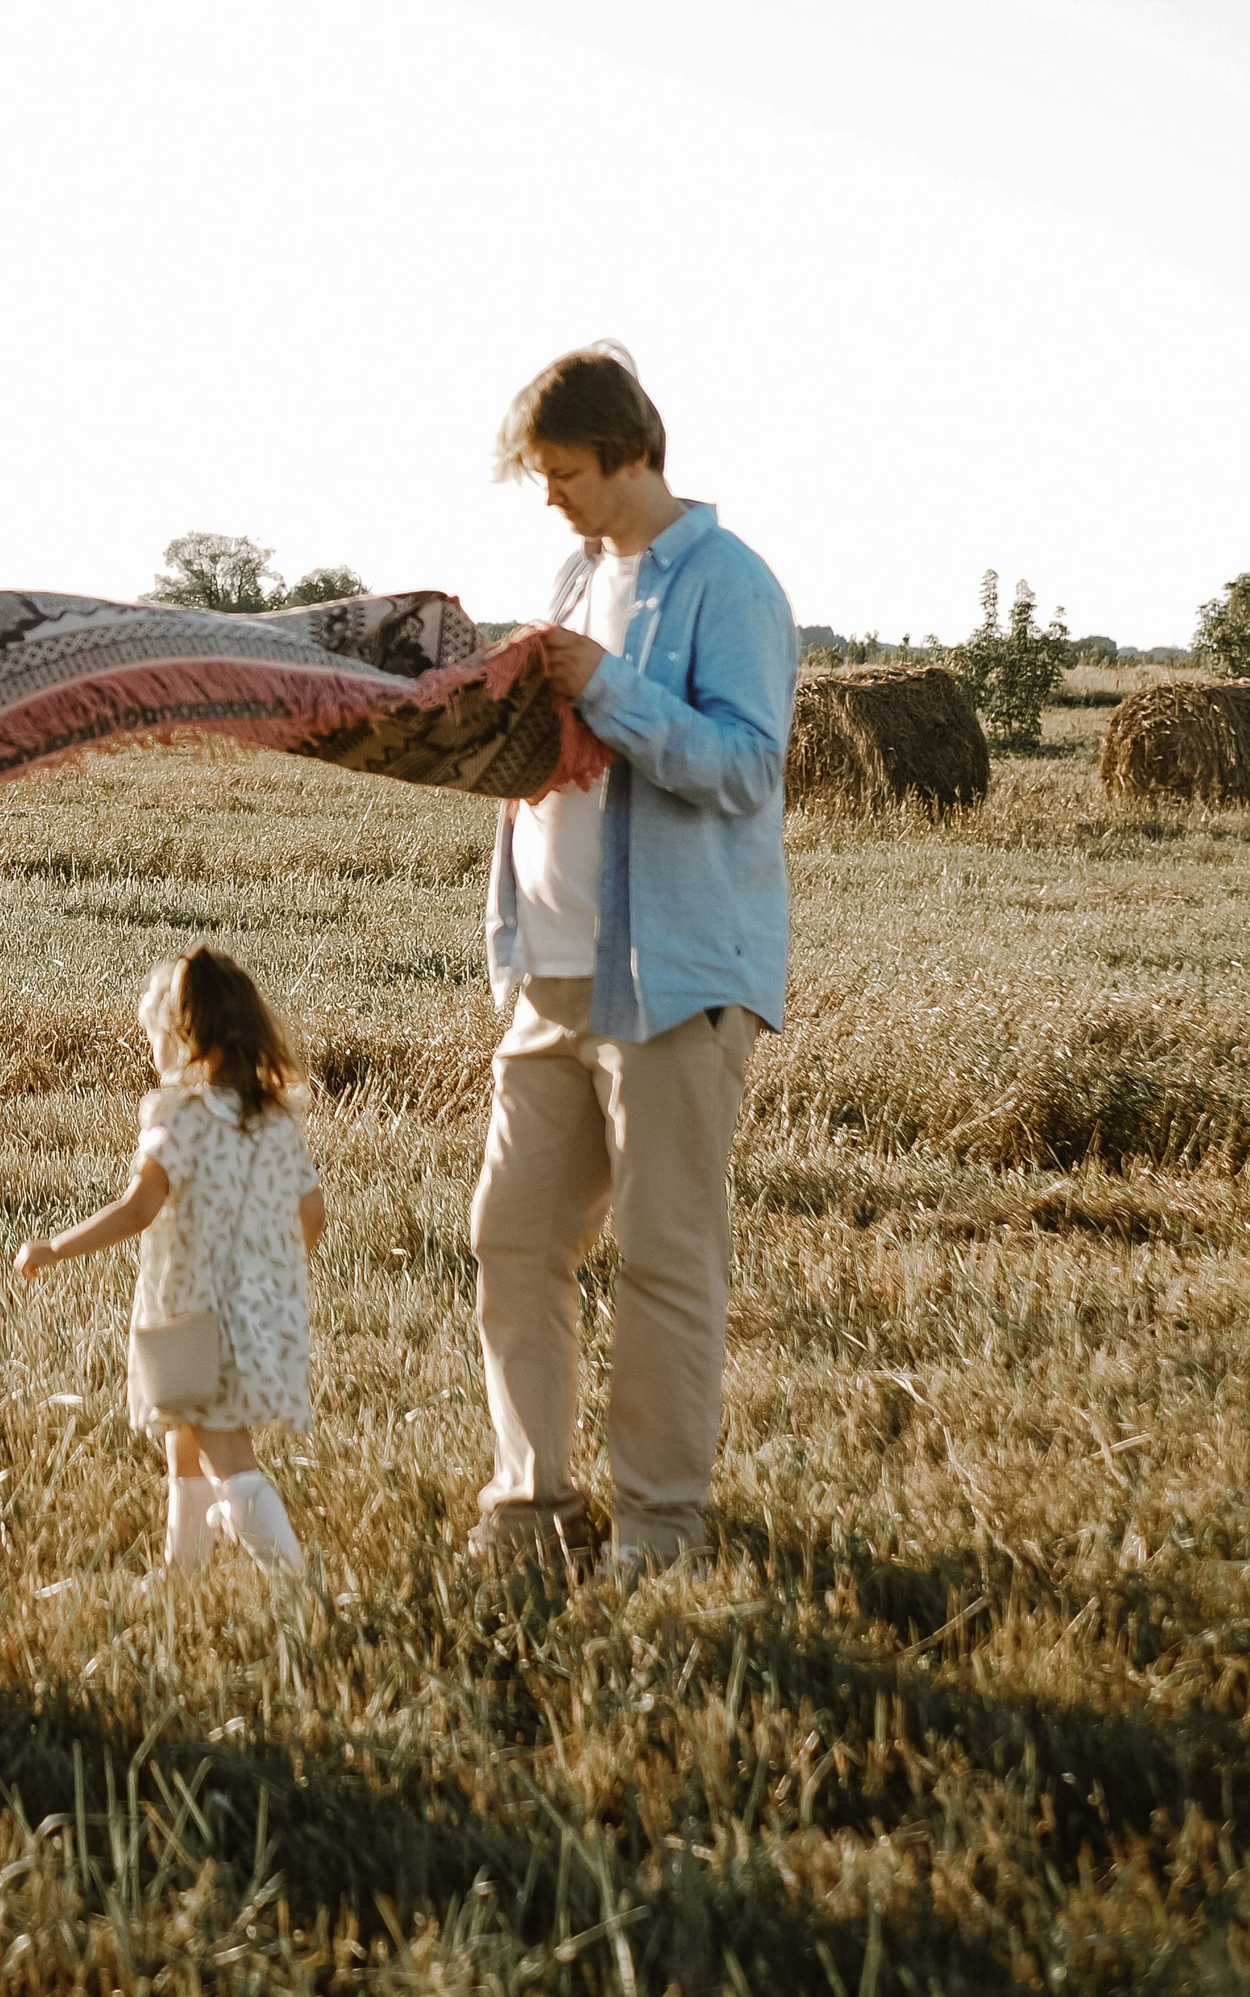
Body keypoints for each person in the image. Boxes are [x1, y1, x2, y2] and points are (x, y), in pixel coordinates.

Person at [469, 343, 794, 1576]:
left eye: (562, 471)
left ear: (628, 451)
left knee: (664, 1259)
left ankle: (660, 1532)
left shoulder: (731, 584)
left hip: (672, 976)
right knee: (509, 1237)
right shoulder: (572, 569)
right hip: (547, 973)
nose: (548, 494)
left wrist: (611, 688)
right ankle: (528, 1510)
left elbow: (747, 767)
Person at [16, 946, 325, 1575]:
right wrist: (266, 1274)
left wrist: (55, 1248)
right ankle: (180, 1577)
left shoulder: (180, 1118)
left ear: (187, 1040)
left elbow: (137, 1210)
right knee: (185, 1445)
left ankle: (296, 1584)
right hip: (259, 1314)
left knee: (226, 1454)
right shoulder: (273, 1122)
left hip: (194, 1321)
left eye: (156, 1035)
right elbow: (312, 1215)